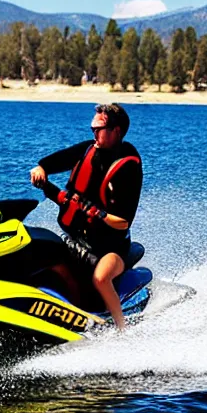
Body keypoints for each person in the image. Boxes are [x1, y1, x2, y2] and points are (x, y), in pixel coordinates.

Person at [30, 103, 143, 329]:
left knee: (100, 278)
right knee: (42, 259)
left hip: (111, 248)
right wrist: (41, 168)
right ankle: (75, 314)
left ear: (116, 131)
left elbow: (122, 223)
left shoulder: (128, 165)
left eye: (98, 129)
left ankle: (123, 330)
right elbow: (58, 160)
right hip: (78, 241)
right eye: (92, 129)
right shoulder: (88, 150)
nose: (93, 134)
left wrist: (95, 211)